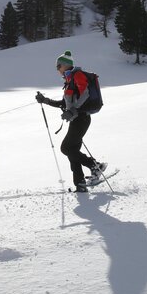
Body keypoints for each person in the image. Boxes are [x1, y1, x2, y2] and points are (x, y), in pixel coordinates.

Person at [35, 50, 107, 192]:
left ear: (65, 65)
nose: (57, 70)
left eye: (58, 66)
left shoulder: (77, 75)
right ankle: (80, 184)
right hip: (76, 119)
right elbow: (64, 103)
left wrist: (73, 111)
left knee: (66, 148)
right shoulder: (69, 80)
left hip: (82, 118)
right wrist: (45, 100)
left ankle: (95, 166)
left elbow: (85, 94)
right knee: (72, 151)